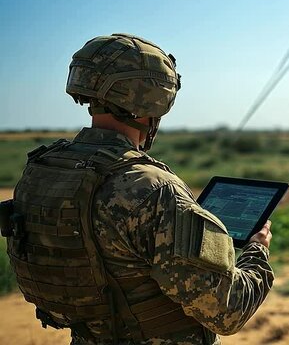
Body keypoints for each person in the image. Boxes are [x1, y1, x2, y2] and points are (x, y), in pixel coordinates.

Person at [1, 34, 274, 344]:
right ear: (155, 100)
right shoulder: (155, 191)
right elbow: (228, 311)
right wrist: (257, 251)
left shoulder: (44, 169)